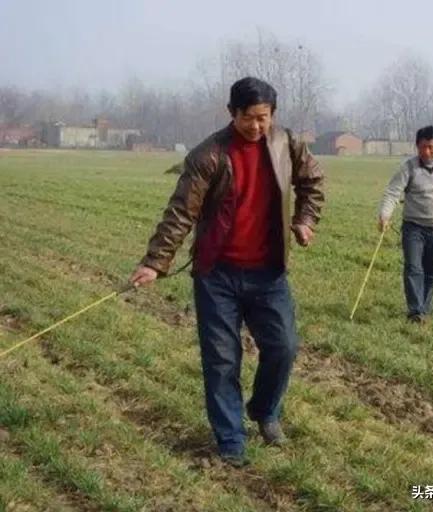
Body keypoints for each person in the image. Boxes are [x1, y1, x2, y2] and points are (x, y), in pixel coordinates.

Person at [129, 76, 324, 466]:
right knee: (221, 360)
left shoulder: (287, 143)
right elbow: (181, 212)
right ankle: (231, 442)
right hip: (217, 275)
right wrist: (155, 262)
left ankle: (265, 411)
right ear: (232, 113)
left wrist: (305, 219)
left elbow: (312, 182)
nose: (257, 126)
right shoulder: (208, 155)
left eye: (264, 118)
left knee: (283, 348)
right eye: (249, 118)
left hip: (269, 273)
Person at [378, 125, 433, 323]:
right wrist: (384, 216)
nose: (427, 152)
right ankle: (416, 311)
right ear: (416, 146)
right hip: (413, 227)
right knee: (413, 268)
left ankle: (424, 308)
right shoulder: (408, 167)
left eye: (431, 147)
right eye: (422, 147)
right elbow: (393, 192)